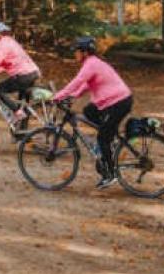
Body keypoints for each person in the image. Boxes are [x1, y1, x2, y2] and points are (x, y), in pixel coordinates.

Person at [52, 36, 132, 189]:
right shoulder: (93, 63)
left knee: (102, 138)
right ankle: (110, 139)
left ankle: (110, 174)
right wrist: (72, 96)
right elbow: (86, 85)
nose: (75, 54)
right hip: (114, 101)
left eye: (76, 51)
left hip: (118, 102)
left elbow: (77, 81)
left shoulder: (91, 64)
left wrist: (58, 96)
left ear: (85, 52)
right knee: (89, 110)